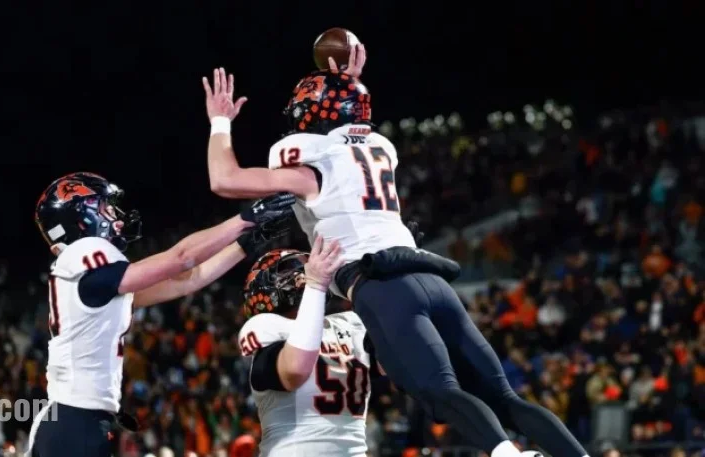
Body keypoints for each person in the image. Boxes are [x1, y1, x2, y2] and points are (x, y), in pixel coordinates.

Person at [199, 61, 589, 457]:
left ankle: (509, 455)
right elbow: (348, 135)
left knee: (440, 393)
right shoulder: (375, 150)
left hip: (382, 286)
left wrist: (219, 122)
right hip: (429, 275)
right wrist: (347, 81)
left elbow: (224, 179)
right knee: (505, 397)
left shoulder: (310, 170)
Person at [27, 172, 295, 457]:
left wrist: (247, 243)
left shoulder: (91, 283)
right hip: (75, 421)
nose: (114, 215)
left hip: (72, 420)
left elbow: (189, 280)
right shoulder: (84, 252)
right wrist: (247, 218)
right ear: (80, 217)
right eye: (104, 207)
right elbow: (181, 259)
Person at [238, 238, 382, 457]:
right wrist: (315, 286)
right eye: (288, 269)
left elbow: (398, 368)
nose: (301, 272)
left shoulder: (349, 323)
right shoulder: (266, 326)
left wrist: (393, 287)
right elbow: (294, 371)